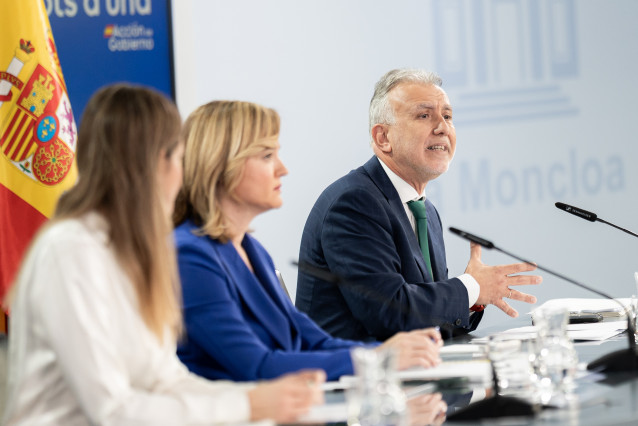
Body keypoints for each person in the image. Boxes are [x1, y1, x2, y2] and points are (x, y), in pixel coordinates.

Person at [2, 85, 323, 425]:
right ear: (156, 162)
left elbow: (165, 381)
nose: (184, 175)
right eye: (180, 159)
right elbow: (112, 412)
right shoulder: (71, 251)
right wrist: (250, 407)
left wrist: (261, 402)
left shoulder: (130, 250)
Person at [173, 100, 443, 383]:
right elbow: (256, 366)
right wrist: (381, 359)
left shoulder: (252, 251)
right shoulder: (189, 256)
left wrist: (395, 354)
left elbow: (314, 341)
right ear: (220, 164)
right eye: (267, 156)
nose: (283, 169)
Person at [296, 68, 542, 342]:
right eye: (424, 116)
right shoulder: (354, 203)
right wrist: (470, 287)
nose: (442, 127)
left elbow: (426, 320)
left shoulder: (425, 211)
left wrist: (472, 299)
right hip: (349, 379)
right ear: (383, 138)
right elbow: (391, 314)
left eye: (447, 116)